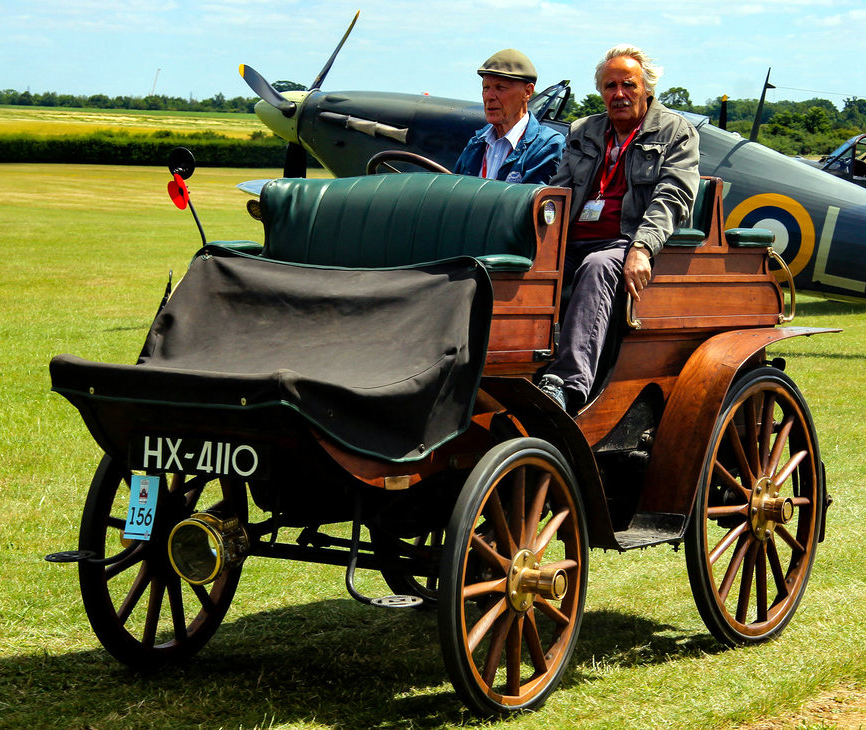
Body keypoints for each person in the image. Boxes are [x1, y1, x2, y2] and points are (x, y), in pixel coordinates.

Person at [538, 44, 700, 413]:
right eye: (610, 86)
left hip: (625, 243)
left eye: (628, 85)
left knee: (598, 265)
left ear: (646, 88)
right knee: (517, 268)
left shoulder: (676, 131)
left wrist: (642, 247)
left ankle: (567, 386)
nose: (619, 94)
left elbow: (673, 197)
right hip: (572, 241)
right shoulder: (584, 130)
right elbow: (558, 192)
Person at [454, 49, 565, 185]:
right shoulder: (476, 145)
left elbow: (531, 204)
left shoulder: (547, 146)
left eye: (500, 88)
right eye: (486, 88)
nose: (489, 96)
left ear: (527, 92)